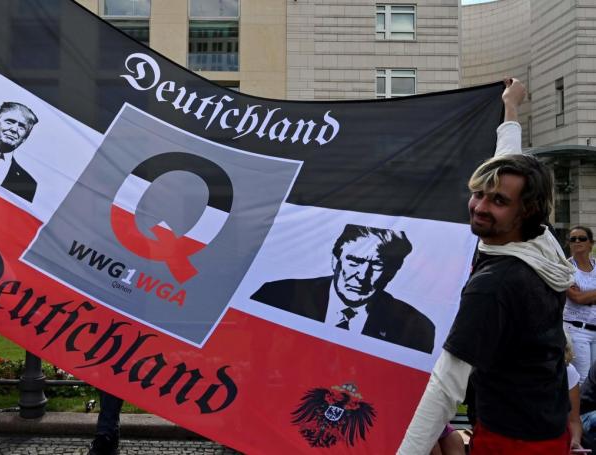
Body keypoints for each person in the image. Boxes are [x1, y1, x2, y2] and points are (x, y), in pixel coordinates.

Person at [398, 78, 574, 454]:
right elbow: (508, 160)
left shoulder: (495, 285)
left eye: (497, 201)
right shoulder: (540, 239)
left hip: (511, 441)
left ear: (526, 210)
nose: (480, 207)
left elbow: (446, 385)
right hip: (549, 426)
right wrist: (511, 106)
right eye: (478, 193)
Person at [251, 223, 435, 353]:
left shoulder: (416, 328)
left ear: (392, 272)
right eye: (354, 261)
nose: (363, 276)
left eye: (377, 265)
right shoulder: (276, 295)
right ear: (335, 260)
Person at [564, 225, 596, 384]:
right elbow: (576, 297)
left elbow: (582, 296)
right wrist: (584, 297)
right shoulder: (565, 268)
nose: (577, 241)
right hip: (576, 330)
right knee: (583, 380)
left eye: (582, 238)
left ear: (591, 243)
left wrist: (586, 295)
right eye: (573, 239)